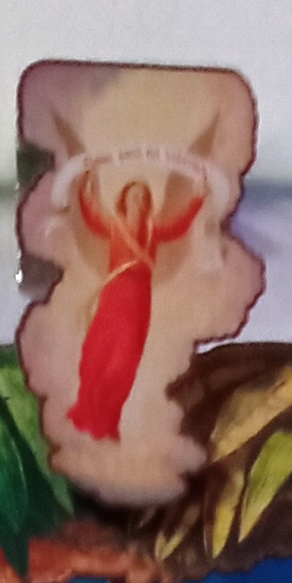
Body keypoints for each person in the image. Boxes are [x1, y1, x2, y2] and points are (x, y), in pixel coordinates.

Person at [69, 172, 207, 442]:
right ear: (124, 200)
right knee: (99, 352)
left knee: (125, 362)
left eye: (143, 198)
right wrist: (87, 184)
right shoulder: (114, 225)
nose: (138, 202)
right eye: (134, 197)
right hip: (115, 295)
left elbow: (180, 226)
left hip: (139, 301)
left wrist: (199, 196)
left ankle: (109, 420)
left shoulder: (154, 230)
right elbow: (91, 216)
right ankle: (89, 413)